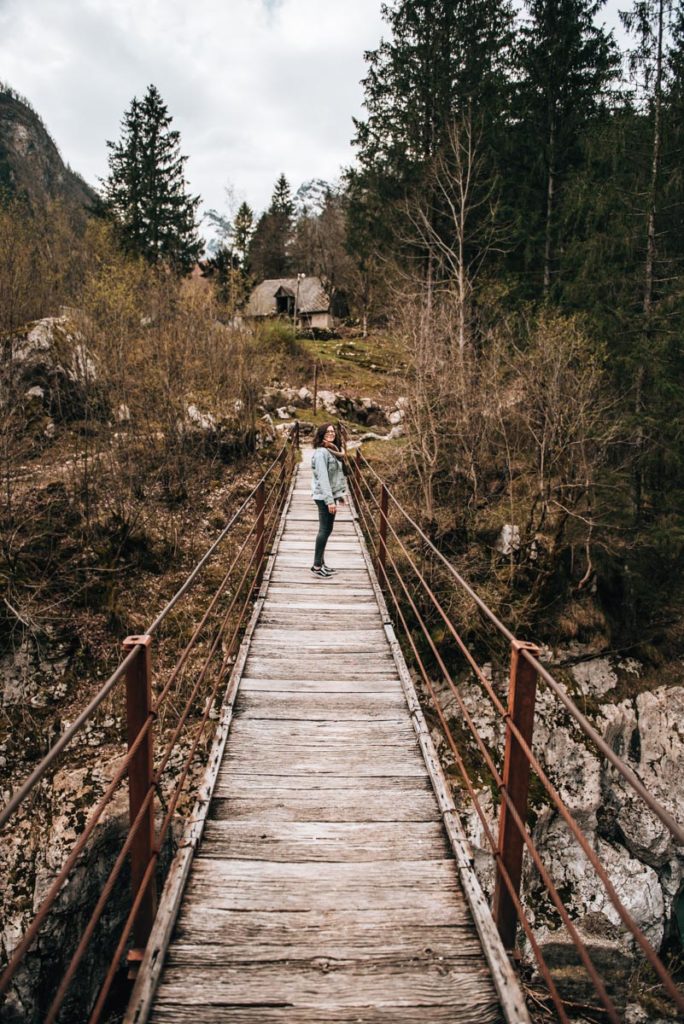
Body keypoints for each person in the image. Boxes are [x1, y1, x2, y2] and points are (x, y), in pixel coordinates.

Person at [310, 423, 347, 577]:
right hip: (324, 497)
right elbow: (323, 478)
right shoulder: (321, 453)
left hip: (330, 495)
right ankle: (317, 566)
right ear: (322, 434)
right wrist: (330, 501)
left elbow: (335, 476)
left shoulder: (332, 450)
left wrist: (339, 495)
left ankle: (321, 563)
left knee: (327, 529)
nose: (331, 434)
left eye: (333, 431)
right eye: (328, 431)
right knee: (324, 530)